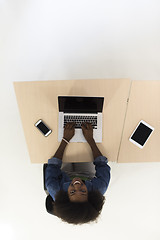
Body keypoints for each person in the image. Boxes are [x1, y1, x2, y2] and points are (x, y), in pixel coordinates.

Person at [45, 122, 111, 224]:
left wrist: (65, 139)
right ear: (90, 195)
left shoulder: (54, 189)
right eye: (83, 191)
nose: (77, 184)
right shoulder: (98, 190)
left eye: (72, 192)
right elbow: (102, 165)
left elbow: (53, 165)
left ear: (65, 197)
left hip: (64, 171)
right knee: (85, 156)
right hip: (87, 173)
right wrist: (90, 139)